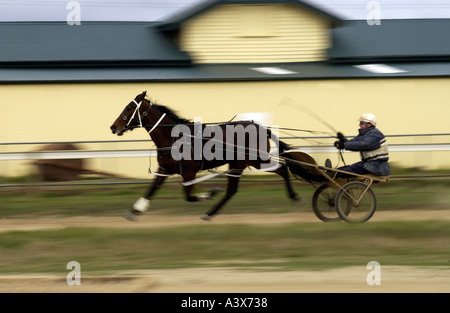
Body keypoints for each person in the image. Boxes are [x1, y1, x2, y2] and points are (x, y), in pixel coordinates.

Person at [334, 113, 390, 177]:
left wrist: (344, 145)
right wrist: (342, 140)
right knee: (339, 170)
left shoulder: (375, 134)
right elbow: (352, 143)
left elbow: (363, 145)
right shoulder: (364, 135)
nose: (359, 125)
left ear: (369, 124)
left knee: (343, 172)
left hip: (376, 166)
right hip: (368, 164)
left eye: (361, 123)